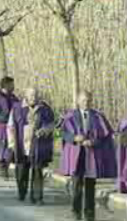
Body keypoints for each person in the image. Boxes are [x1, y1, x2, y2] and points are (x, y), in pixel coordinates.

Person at [59, 91, 117, 221]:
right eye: (84, 100)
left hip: (92, 155)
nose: (86, 103)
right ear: (78, 101)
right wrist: (74, 138)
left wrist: (93, 141)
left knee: (91, 184)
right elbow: (62, 133)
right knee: (77, 184)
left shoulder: (98, 116)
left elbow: (105, 136)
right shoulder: (70, 116)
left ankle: (90, 214)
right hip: (77, 154)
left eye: (88, 100)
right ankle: (76, 212)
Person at [7, 88, 55, 204]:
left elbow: (52, 124)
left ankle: (37, 197)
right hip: (21, 143)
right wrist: (11, 142)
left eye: (36, 95)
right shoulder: (17, 107)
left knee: (37, 170)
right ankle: (22, 192)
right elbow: (11, 126)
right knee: (21, 170)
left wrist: (44, 130)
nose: (34, 97)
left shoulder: (45, 109)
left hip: (38, 145)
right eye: (32, 95)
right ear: (26, 96)